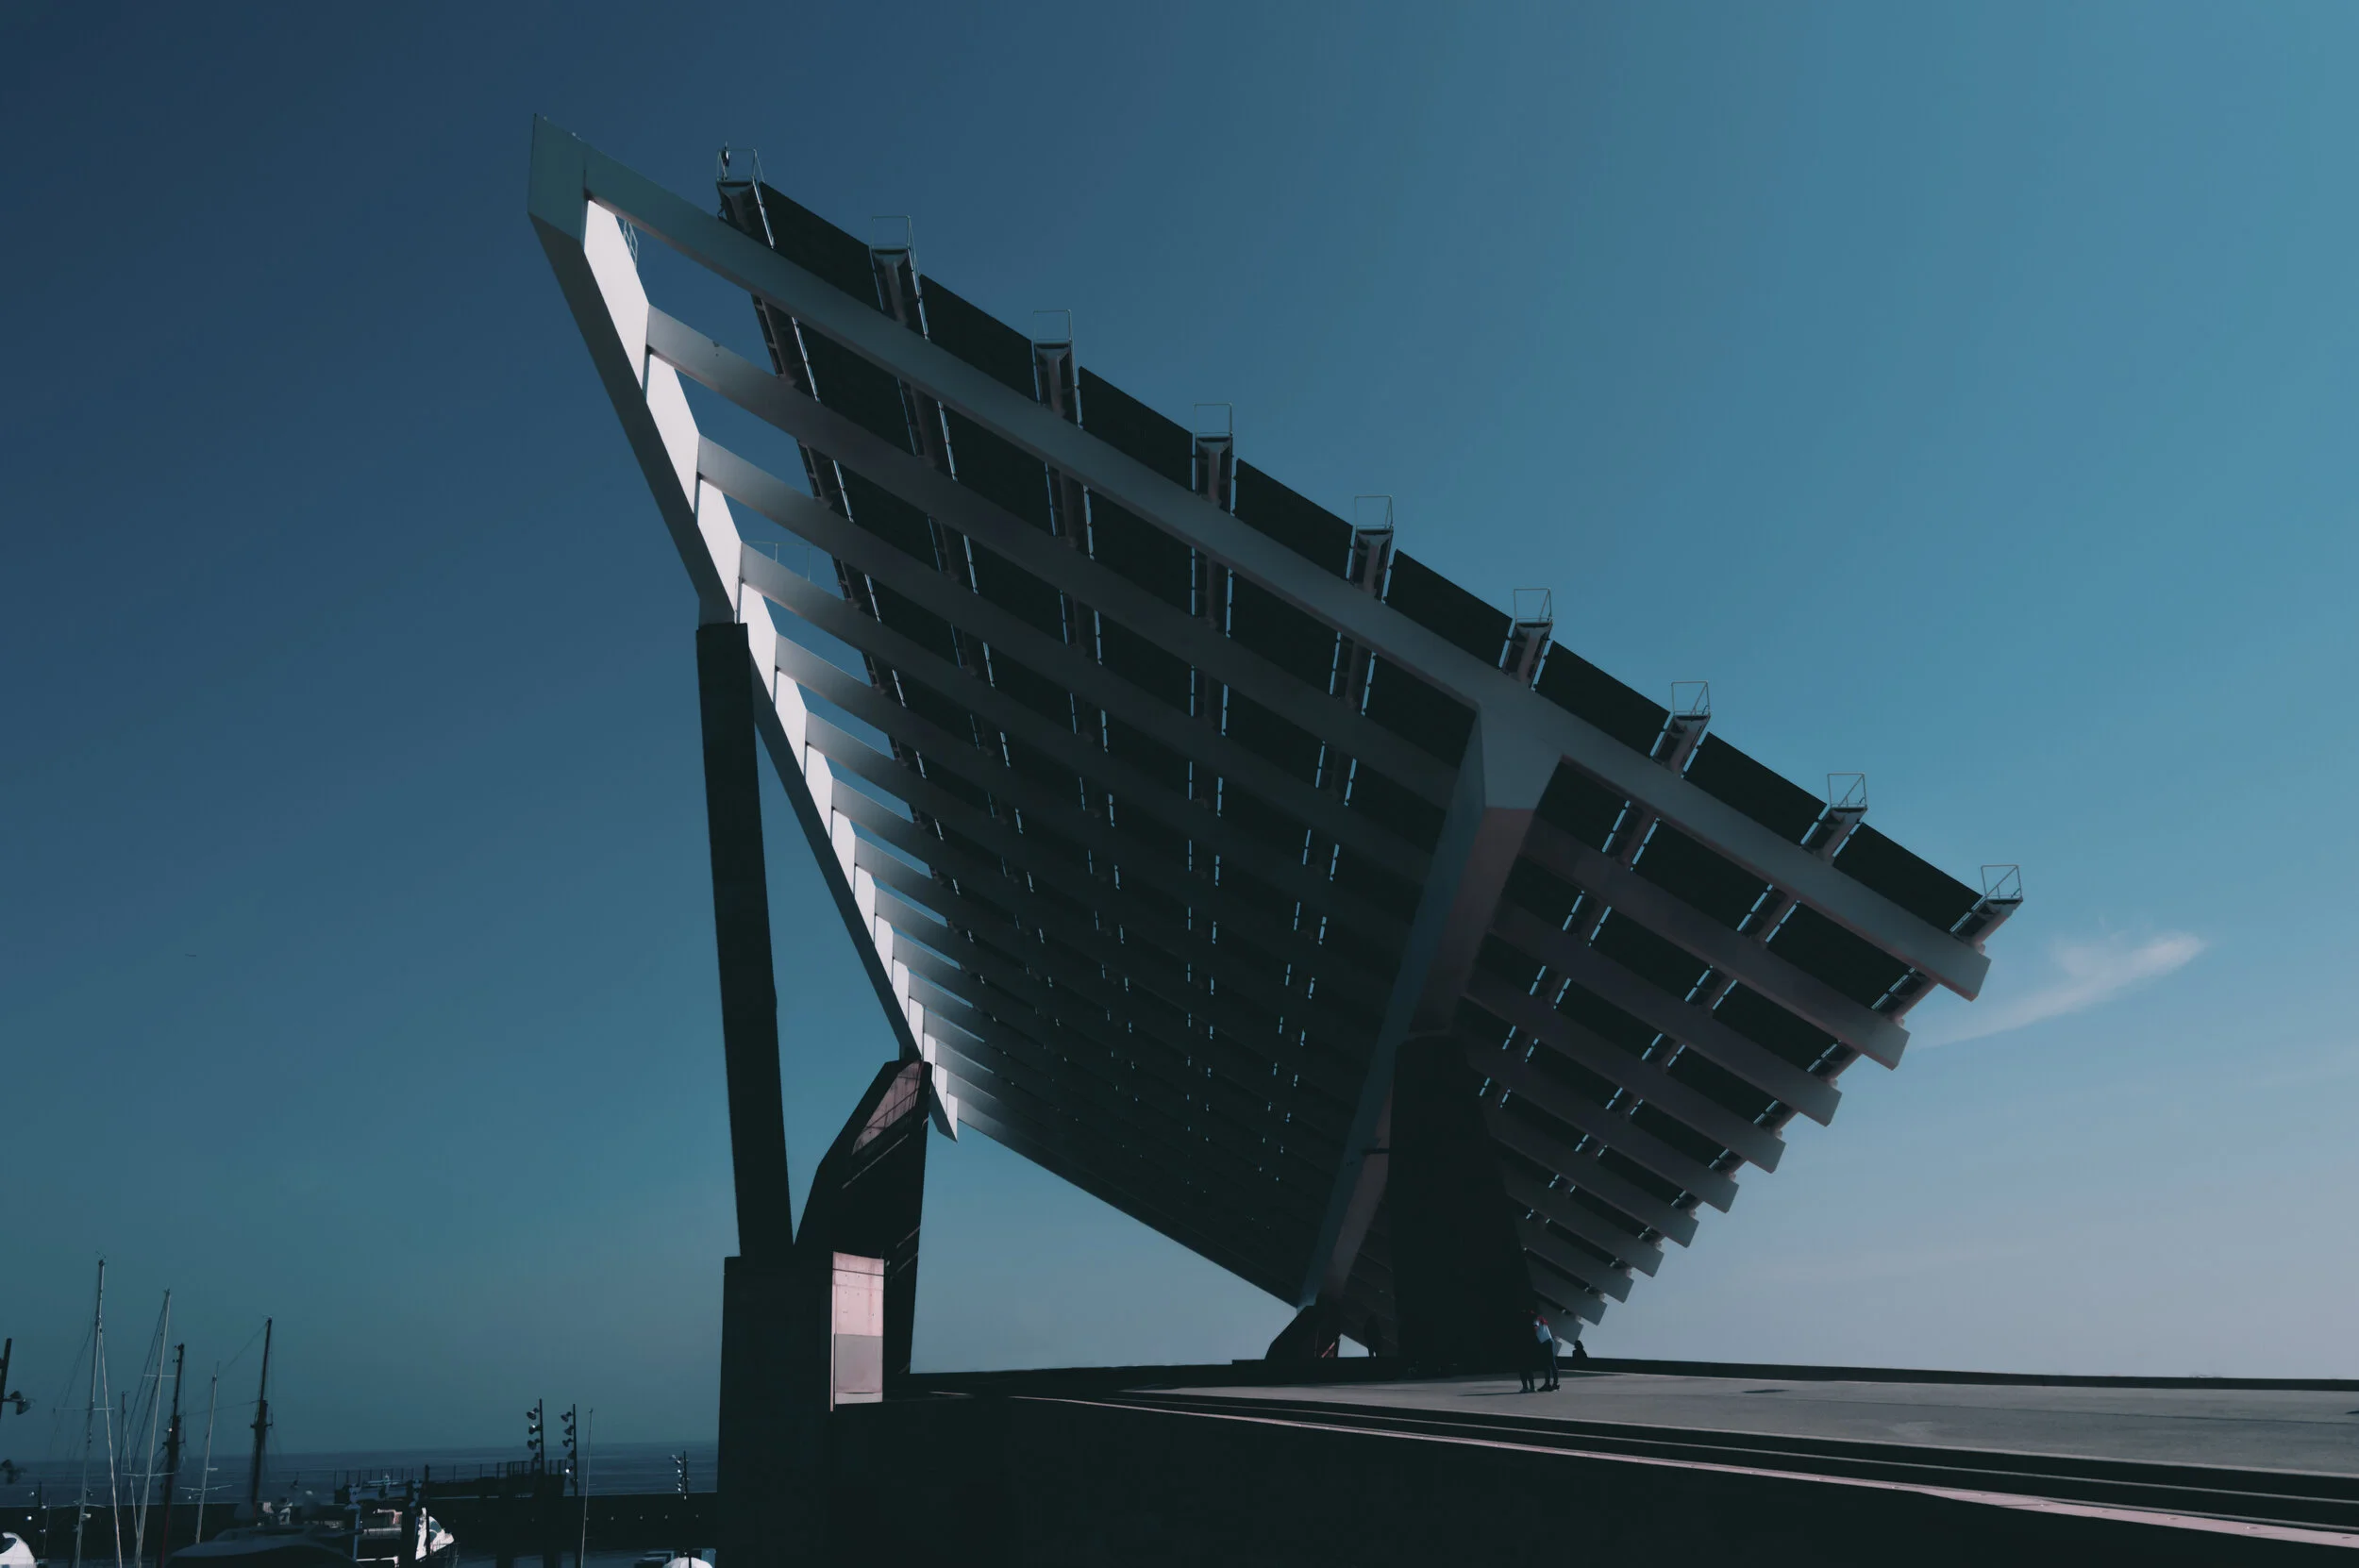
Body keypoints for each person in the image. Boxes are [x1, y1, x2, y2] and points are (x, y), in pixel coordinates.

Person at [1531, 1309, 1559, 1392]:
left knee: (1548, 1364)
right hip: (1548, 1341)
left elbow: (1535, 1328)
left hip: (1545, 1342)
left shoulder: (1536, 1319)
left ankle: (1551, 1384)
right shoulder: (1542, 1319)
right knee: (1550, 1363)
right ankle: (1553, 1384)